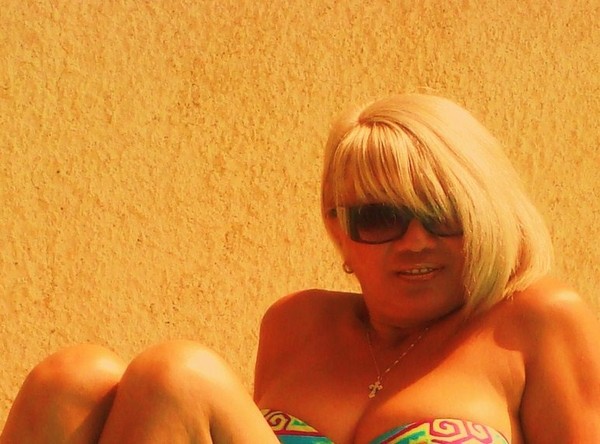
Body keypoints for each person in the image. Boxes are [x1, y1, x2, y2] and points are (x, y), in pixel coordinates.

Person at [2, 93, 599, 444]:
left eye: (444, 214)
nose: (416, 240)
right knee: (71, 380)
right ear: (339, 229)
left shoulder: (536, 319)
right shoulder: (297, 324)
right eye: (380, 217)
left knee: (178, 374)